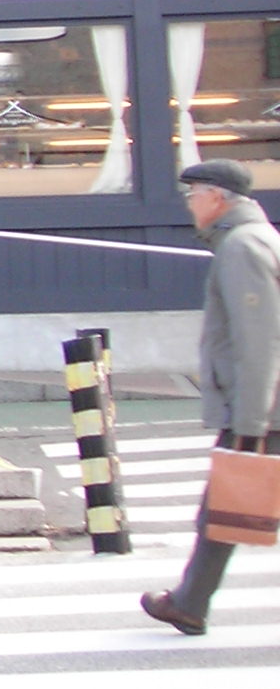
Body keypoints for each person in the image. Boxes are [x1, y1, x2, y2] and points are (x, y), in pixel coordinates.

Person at [141, 159, 280, 636]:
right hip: (267, 403)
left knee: (224, 504)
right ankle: (190, 601)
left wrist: (250, 422)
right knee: (223, 507)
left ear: (216, 197)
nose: (189, 204)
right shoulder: (254, 239)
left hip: (264, 407)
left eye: (193, 195)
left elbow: (258, 339)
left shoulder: (242, 246)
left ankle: (190, 603)